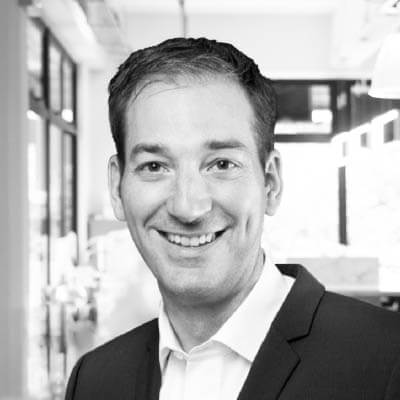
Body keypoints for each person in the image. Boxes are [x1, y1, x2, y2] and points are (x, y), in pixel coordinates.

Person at [65, 38, 400, 400]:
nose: (188, 207)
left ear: (270, 183)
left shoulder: (388, 358)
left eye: (222, 164)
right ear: (117, 188)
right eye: (155, 166)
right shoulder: (94, 380)